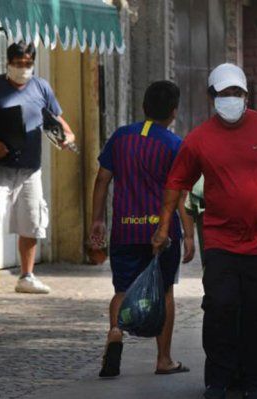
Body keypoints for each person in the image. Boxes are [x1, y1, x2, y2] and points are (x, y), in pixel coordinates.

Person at [152, 63, 257, 399]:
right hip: (221, 240)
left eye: (236, 93)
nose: (230, 99)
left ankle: (255, 380)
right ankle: (218, 379)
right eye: (224, 94)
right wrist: (164, 225)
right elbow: (176, 182)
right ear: (212, 98)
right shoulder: (199, 139)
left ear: (246, 96)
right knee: (220, 306)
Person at [89, 81, 195, 378]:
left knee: (122, 289)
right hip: (161, 234)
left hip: (124, 229)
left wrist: (97, 219)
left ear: (144, 107)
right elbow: (181, 194)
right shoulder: (175, 145)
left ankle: (114, 332)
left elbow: (102, 180)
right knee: (165, 292)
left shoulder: (121, 137)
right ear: (173, 112)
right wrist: (188, 233)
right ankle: (163, 359)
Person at [0, 41, 75, 294]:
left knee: (32, 218)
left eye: (28, 64)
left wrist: (68, 135)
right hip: (0, 165)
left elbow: (57, 118)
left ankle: (26, 276)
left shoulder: (41, 87)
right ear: (8, 63)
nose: (23, 68)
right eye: (18, 64)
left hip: (31, 167)